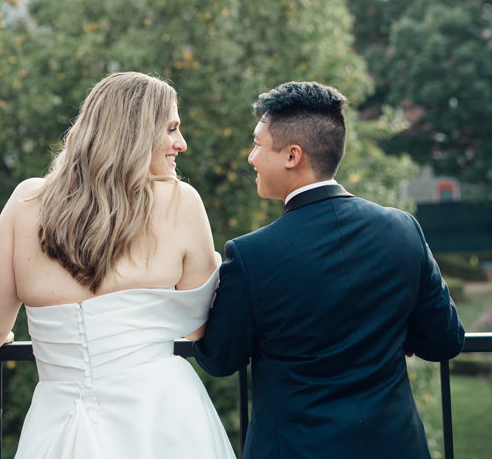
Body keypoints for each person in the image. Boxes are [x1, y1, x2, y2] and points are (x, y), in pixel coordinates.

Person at [0, 71, 235, 459]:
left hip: (58, 422)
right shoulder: (181, 202)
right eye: (172, 129)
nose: (182, 143)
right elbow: (198, 329)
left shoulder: (26, 202)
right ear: (135, 132)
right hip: (161, 419)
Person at [194, 80, 465, 459]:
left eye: (257, 144)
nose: (250, 157)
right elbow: (444, 341)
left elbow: (220, 359)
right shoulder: (404, 230)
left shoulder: (251, 255)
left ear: (292, 155)